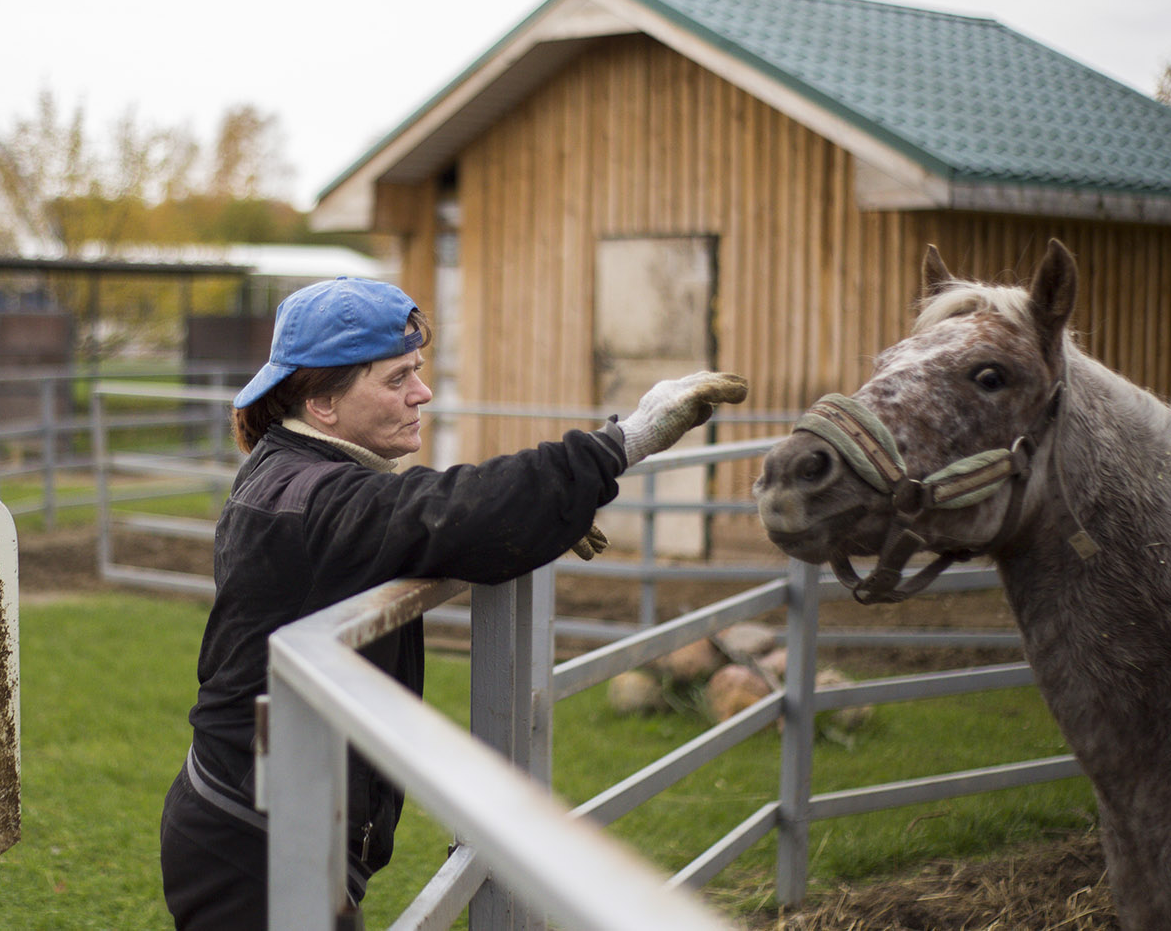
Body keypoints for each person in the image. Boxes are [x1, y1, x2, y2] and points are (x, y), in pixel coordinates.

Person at [158, 276, 747, 930]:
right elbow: (443, 511)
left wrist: (542, 516)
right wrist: (624, 441)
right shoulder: (308, 499)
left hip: (269, 819)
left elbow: (438, 519)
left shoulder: (303, 474)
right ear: (323, 401)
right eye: (396, 378)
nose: (423, 392)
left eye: (419, 371)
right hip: (253, 845)